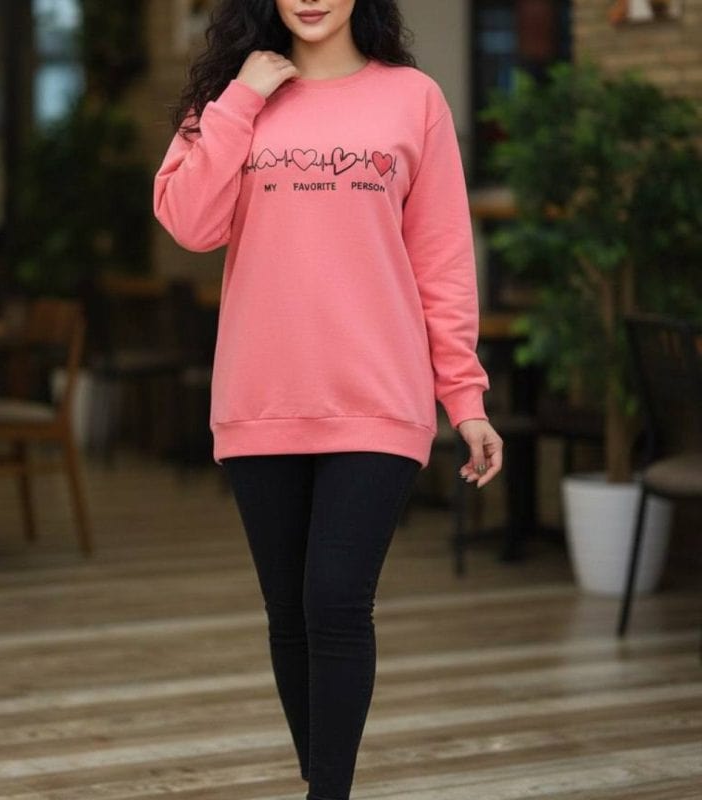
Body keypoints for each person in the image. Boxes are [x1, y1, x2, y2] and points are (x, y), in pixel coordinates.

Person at [153, 2, 503, 798]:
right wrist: (242, 97)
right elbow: (190, 224)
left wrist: (466, 398)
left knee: (337, 602)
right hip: (261, 396)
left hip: (379, 396)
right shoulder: (227, 96)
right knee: (289, 613)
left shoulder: (413, 99)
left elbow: (443, 263)